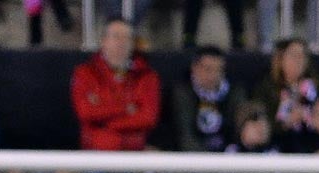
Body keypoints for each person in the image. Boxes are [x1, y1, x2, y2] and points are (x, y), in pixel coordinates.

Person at [70, 18, 161, 152]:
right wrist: (125, 108)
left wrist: (106, 122)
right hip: (96, 153)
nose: (121, 43)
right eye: (116, 37)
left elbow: (148, 117)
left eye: (127, 38)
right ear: (103, 41)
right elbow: (86, 112)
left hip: (135, 152)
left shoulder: (147, 76)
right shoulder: (85, 73)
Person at [171, 46, 245, 154]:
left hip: (228, 157)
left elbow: (239, 131)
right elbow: (185, 134)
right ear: (194, 68)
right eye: (208, 69)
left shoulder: (235, 92)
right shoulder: (182, 93)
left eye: (218, 70)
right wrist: (208, 160)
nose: (213, 76)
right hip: (193, 159)